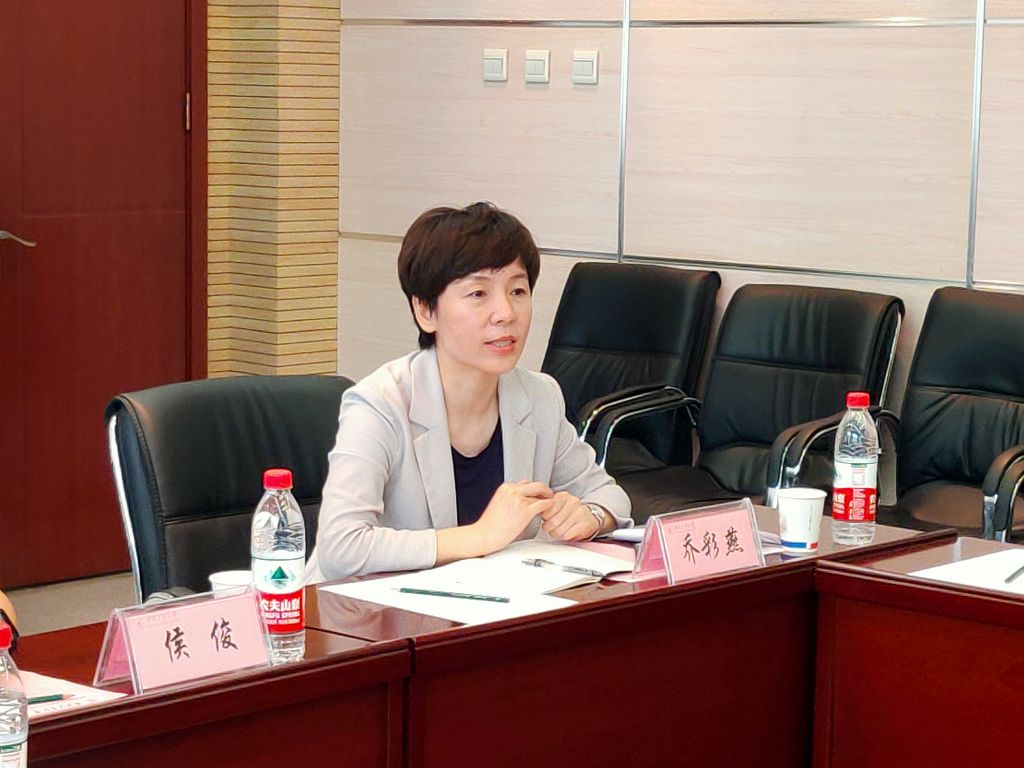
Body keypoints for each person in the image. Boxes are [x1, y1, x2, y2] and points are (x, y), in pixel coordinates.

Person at [306, 202, 631, 582]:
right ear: (425, 311)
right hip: (362, 611)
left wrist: (590, 516)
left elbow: (609, 495)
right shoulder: (380, 404)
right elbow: (341, 547)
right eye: (478, 294)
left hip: (491, 605)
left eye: (517, 290)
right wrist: (481, 536)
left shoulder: (538, 396)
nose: (505, 312)